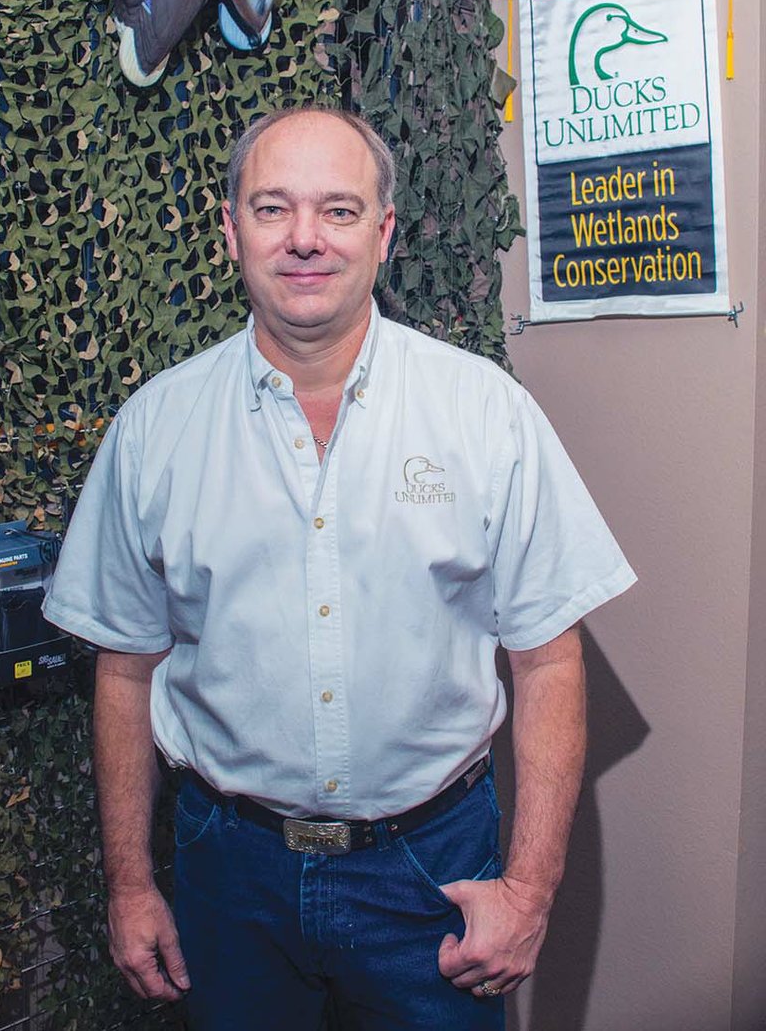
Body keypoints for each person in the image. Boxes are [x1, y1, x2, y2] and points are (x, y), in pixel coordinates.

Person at [44, 105, 636, 1030]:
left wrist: (528, 891)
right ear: (231, 228)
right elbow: (124, 669)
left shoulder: (486, 414)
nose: (306, 239)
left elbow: (549, 660)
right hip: (227, 870)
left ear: (385, 231)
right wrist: (129, 885)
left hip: (431, 871)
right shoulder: (154, 430)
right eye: (274, 208)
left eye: (340, 210)